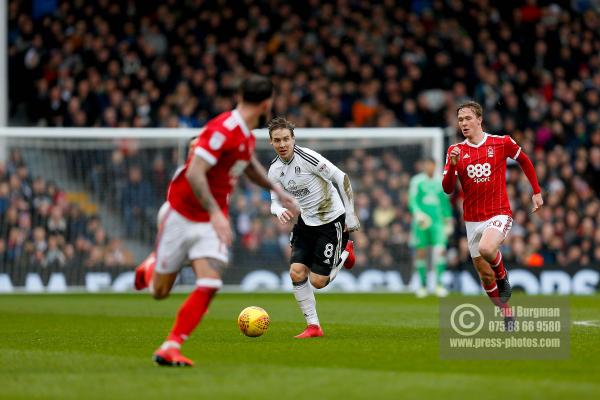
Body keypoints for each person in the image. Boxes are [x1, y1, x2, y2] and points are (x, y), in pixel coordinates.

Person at [134, 76, 297, 366]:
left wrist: (279, 191)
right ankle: (150, 268)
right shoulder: (223, 129)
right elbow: (196, 173)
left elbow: (247, 165)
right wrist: (214, 213)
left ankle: (171, 345)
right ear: (266, 103)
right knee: (159, 292)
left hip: (210, 219)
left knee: (210, 283)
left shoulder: (245, 135)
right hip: (183, 214)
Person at [442, 101, 543, 326]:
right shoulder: (455, 151)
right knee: (485, 277)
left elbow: (524, 161)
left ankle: (503, 274)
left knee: (488, 248)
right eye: (460, 120)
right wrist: (453, 166)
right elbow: (447, 188)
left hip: (498, 212)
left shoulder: (501, 142)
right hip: (471, 219)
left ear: (479, 119)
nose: (464, 123)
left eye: (468, 118)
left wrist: (536, 191)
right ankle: (506, 313)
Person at [267, 117, 359, 338]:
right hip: (306, 222)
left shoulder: (308, 158)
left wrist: (351, 213)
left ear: (293, 139)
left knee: (318, 282)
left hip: (331, 221)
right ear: (271, 142)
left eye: (286, 139)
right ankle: (313, 326)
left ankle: (346, 251)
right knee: (296, 272)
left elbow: (341, 177)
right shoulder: (274, 170)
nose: (282, 144)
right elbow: (273, 200)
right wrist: (277, 210)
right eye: (277, 140)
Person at [408, 157, 453, 298]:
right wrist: (418, 214)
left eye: (431, 165)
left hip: (437, 222)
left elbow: (445, 203)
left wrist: (449, 220)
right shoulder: (417, 181)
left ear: (434, 166)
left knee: (440, 251)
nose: (429, 167)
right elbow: (412, 200)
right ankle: (422, 285)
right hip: (421, 222)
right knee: (421, 252)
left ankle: (439, 284)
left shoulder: (440, 181)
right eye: (426, 165)